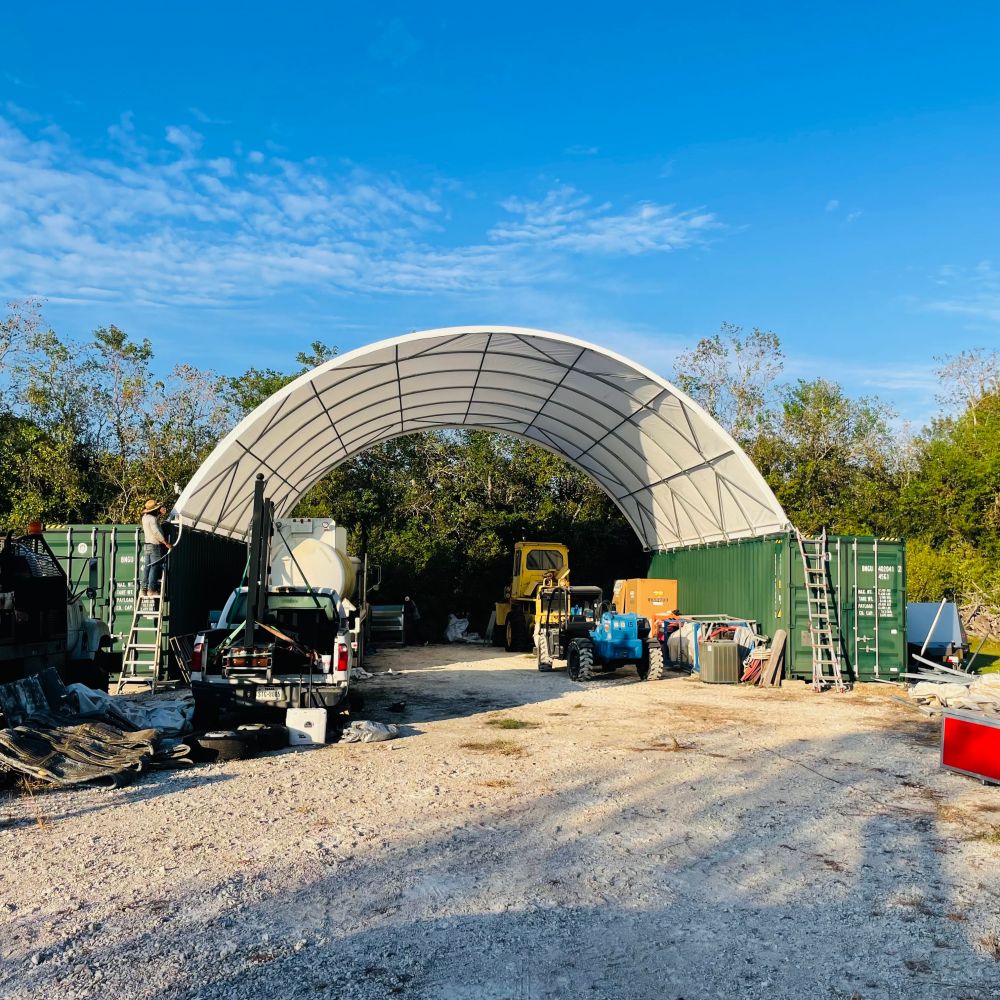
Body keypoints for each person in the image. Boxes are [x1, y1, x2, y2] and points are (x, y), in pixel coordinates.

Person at [140, 499, 172, 597]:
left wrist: (159, 515)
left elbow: (153, 521)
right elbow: (156, 532)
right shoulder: (152, 519)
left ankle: (143, 589)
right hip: (154, 545)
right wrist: (166, 543)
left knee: (147, 567)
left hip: (147, 545)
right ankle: (152, 589)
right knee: (155, 566)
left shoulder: (145, 518)